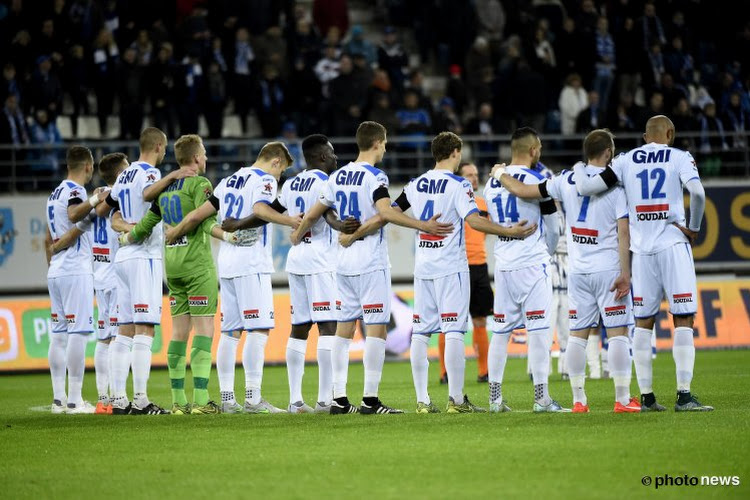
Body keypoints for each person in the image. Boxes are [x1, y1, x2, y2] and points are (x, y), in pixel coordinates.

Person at [290, 121, 453, 414]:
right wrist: (422, 225)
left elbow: (316, 211)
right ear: (377, 143)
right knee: (377, 330)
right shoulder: (375, 176)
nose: (387, 147)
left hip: (342, 264)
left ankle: (339, 399)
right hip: (370, 262)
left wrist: (297, 232)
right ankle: (370, 400)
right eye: (386, 142)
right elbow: (385, 212)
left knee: (344, 330)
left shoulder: (337, 177)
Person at [383, 132, 535, 413]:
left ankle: (423, 401)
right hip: (451, 268)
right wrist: (508, 232)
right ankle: (456, 400)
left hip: (424, 268)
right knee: (453, 329)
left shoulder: (416, 184)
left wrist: (419, 225)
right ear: (455, 153)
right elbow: (475, 220)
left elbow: (389, 212)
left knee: (421, 333)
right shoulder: (458, 184)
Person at [572, 115, 713, 412]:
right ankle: (684, 395)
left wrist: (576, 170)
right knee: (683, 317)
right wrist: (695, 228)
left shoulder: (625, 161)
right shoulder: (679, 157)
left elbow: (589, 188)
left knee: (643, 323)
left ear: (646, 136)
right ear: (670, 133)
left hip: (642, 251)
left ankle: (647, 397)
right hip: (672, 244)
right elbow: (698, 193)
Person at [498, 129, 640, 413]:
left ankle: (578, 401)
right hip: (608, 269)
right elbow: (624, 233)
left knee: (577, 334)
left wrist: (501, 174)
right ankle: (623, 400)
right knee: (618, 333)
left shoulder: (564, 180)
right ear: (609, 153)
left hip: (577, 270)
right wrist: (626, 272)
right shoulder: (617, 187)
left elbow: (524, 191)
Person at [221, 135, 360, 413]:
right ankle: (325, 400)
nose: (335, 158)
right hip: (321, 261)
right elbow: (326, 214)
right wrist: (342, 226)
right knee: (328, 325)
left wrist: (237, 223)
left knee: (299, 328)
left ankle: (296, 400)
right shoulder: (326, 182)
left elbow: (267, 212)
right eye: (332, 153)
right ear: (321, 156)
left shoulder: (292, 182)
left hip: (296, 262)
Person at [165, 142, 301, 413]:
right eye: (281, 171)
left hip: (226, 264)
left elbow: (199, 214)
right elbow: (261, 211)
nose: (279, 177)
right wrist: (291, 221)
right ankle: (252, 397)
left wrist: (176, 231)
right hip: (251, 263)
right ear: (274, 162)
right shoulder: (264, 180)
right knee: (258, 330)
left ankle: (228, 399)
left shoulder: (228, 181)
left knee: (230, 333)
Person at [118, 135, 247, 414]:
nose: (207, 159)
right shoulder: (201, 184)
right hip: (197, 266)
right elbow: (203, 221)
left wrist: (126, 239)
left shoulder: (164, 190)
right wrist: (227, 236)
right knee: (204, 331)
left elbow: (145, 226)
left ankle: (178, 402)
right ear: (197, 158)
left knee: (178, 333)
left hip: (172, 268)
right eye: (204, 155)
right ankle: (201, 401)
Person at [96, 128, 192, 415]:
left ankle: (118, 399)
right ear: (159, 146)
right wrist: (173, 176)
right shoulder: (149, 173)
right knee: (145, 328)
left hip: (122, 258)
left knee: (123, 330)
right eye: (165, 150)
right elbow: (149, 193)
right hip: (143, 257)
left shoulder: (123, 176)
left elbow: (109, 213)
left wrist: (127, 227)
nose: (165, 156)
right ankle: (140, 399)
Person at [483, 127, 567, 412]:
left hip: (504, 265)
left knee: (502, 332)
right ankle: (541, 398)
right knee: (539, 330)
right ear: (533, 150)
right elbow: (554, 226)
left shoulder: (491, 184)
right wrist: (549, 249)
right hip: (532, 263)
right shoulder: (537, 180)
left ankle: (494, 399)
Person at [44, 146, 109, 413]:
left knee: (58, 336)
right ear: (88, 166)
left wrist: (53, 267)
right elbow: (73, 215)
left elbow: (48, 240)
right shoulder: (75, 191)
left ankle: (59, 399)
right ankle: (75, 400)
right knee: (79, 333)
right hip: (75, 269)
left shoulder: (53, 194)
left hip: (56, 271)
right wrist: (95, 201)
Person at [438, 162, 492, 385]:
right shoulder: (452, 202)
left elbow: (483, 234)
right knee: (449, 321)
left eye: (476, 175)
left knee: (480, 320)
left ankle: (484, 371)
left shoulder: (482, 204)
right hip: (455, 267)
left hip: (479, 267)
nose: (474, 179)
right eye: (469, 175)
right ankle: (444, 372)